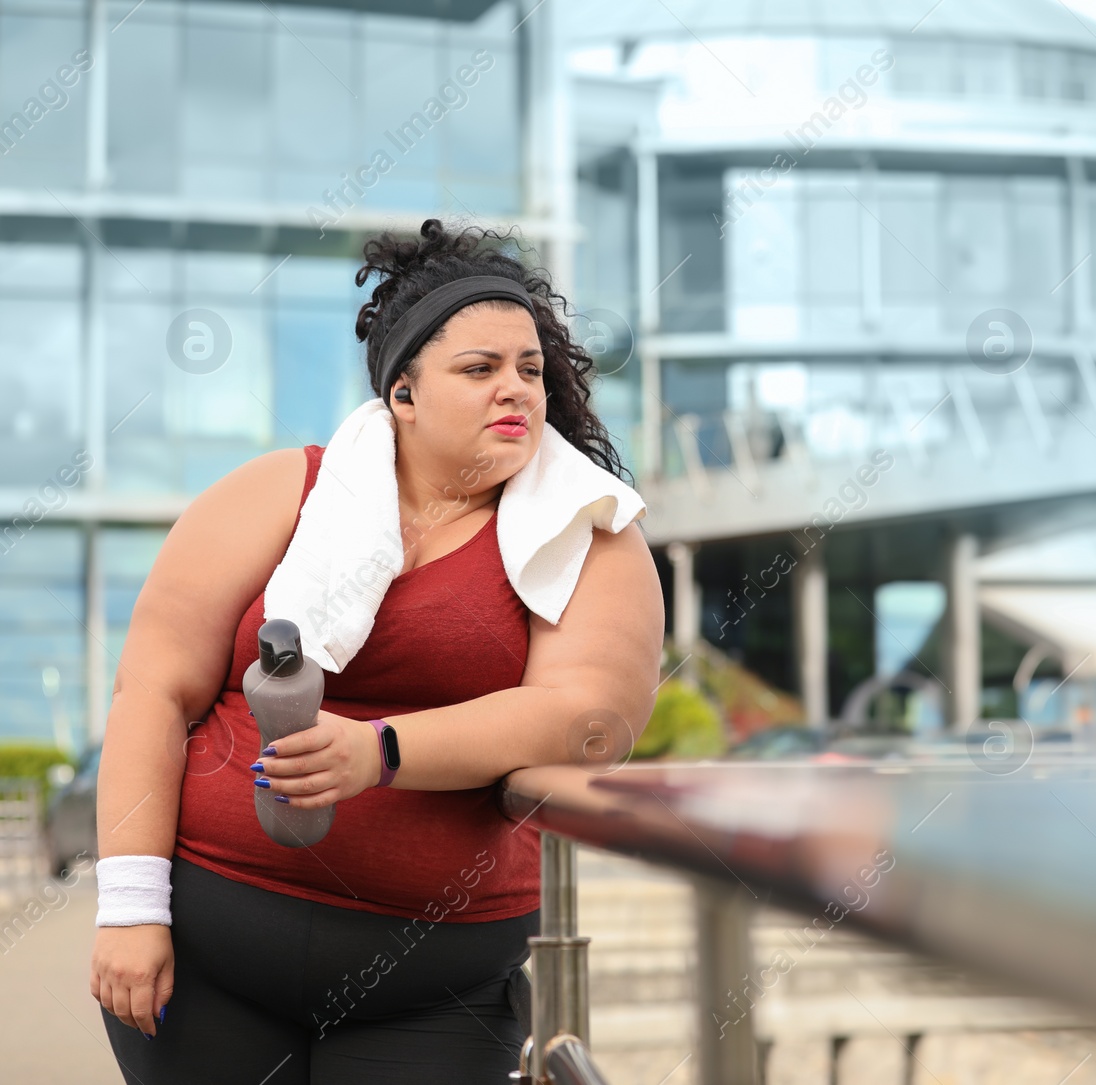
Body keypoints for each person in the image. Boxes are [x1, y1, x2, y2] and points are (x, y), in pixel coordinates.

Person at [88, 218, 664, 1084]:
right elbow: (152, 691)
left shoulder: (592, 534)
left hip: (437, 984)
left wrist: (381, 750)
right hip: (209, 957)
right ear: (403, 394)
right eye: (480, 369)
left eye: (531, 370)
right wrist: (129, 907)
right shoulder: (281, 492)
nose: (516, 390)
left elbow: (590, 719)